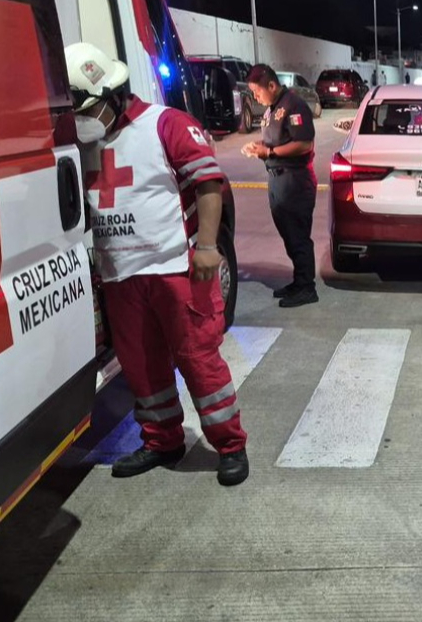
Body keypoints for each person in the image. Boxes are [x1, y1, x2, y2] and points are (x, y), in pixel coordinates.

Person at [65, 42, 248, 486]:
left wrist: (207, 247)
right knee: (142, 366)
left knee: (199, 362)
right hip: (121, 276)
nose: (80, 121)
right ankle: (162, 439)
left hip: (175, 269)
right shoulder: (84, 144)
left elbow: (207, 185)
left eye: (86, 109)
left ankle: (230, 445)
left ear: (112, 95)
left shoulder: (165, 124)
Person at [241, 64, 318, 308]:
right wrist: (258, 146)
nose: (255, 97)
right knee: (288, 234)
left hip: (294, 180)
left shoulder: (294, 106)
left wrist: (270, 151)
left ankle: (307, 288)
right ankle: (299, 281)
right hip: (278, 178)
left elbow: (303, 144)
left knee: (298, 235)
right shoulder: (273, 108)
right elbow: (275, 137)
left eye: (257, 92)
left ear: (271, 86)